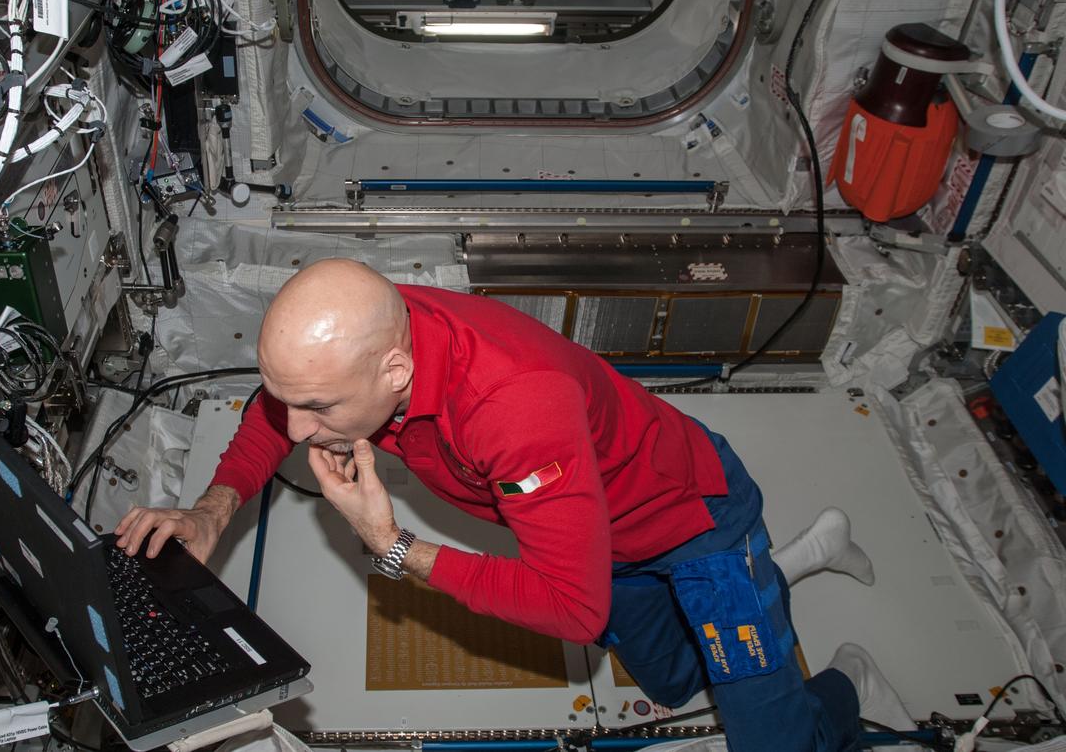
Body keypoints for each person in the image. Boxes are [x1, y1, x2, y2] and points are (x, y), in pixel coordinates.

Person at [114, 258, 912, 752]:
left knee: (767, 740)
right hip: (598, 533)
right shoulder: (361, 346)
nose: (295, 428)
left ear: (396, 372)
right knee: (668, 685)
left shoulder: (512, 409)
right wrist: (211, 513)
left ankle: (849, 683)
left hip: (690, 519)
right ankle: (797, 560)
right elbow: (267, 413)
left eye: (317, 407)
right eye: (289, 399)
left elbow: (571, 608)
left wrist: (395, 547)